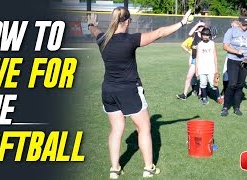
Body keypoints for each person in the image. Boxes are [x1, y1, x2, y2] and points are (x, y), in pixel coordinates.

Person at [87, 7, 192, 179]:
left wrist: (91, 24)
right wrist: (182, 22)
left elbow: (95, 31)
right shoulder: (130, 40)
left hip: (108, 91)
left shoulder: (102, 39)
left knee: (116, 129)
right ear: (127, 22)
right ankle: (148, 168)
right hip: (129, 91)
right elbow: (159, 32)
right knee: (144, 128)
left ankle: (115, 169)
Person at [221, 15, 247, 116]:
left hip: (245, 61)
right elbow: (225, 46)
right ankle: (225, 107)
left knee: (240, 85)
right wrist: (236, 51)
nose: (246, 26)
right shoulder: (231, 31)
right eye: (244, 24)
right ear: (239, 23)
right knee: (232, 84)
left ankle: (237, 108)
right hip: (233, 60)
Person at [176, 21, 205, 100]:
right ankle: (184, 95)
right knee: (189, 76)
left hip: (202, 59)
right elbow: (189, 33)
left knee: (202, 77)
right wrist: (197, 24)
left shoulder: (205, 36)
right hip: (194, 58)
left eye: (203, 26)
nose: (202, 28)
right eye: (201, 27)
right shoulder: (195, 35)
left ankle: (201, 93)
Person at [195, 27, 223, 105]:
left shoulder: (212, 43)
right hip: (202, 67)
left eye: (207, 35)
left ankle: (218, 97)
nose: (205, 36)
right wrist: (196, 69)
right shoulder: (199, 44)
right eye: (203, 35)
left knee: (213, 84)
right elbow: (197, 57)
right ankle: (204, 98)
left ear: (209, 36)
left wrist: (216, 68)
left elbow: (215, 56)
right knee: (203, 83)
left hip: (211, 68)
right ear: (201, 35)